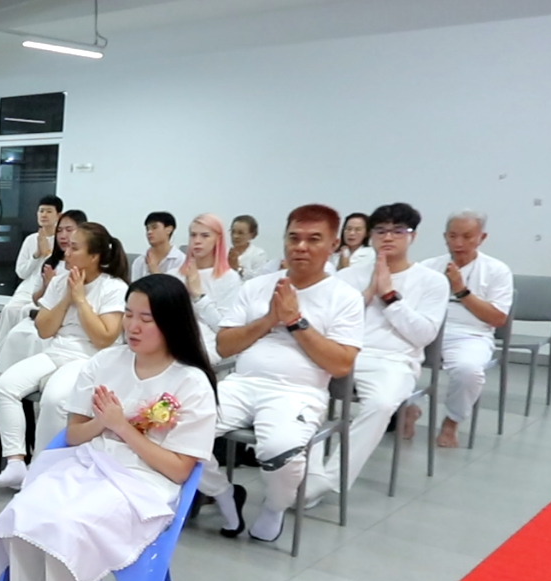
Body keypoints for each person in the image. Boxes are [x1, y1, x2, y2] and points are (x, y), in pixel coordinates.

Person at [0, 275, 219, 581]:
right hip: (90, 463)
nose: (133, 326)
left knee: (68, 522)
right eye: (128, 314)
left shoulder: (191, 383)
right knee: (27, 507)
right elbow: (74, 433)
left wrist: (122, 426)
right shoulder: (105, 362)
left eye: (146, 318)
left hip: (144, 483)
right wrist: (104, 423)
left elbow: (179, 470)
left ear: (171, 322)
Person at [199, 205, 363, 543]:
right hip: (241, 383)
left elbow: (341, 365)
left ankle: (274, 508)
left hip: (298, 392)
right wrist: (269, 320)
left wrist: (294, 321)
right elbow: (225, 345)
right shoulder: (257, 287)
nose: (301, 247)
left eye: (313, 239)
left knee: (280, 450)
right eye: (294, 238)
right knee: (177, 429)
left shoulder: (344, 297)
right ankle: (225, 496)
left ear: (333, 245)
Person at [305, 203, 448, 502]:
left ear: (413, 236)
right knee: (304, 390)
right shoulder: (348, 277)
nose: (388, 237)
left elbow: (424, 334)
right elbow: (329, 323)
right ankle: (309, 474)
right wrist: (370, 292)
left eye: (398, 231)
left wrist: (390, 296)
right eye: (381, 231)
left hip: (393, 360)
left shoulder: (432, 281)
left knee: (381, 405)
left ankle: (330, 480)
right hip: (343, 352)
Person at [0, 223, 129, 490]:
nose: (66, 253)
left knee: (54, 399)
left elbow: (104, 338)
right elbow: (44, 329)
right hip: (56, 352)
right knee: (5, 386)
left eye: (75, 248)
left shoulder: (113, 287)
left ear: (94, 256)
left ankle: (40, 472)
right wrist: (67, 297)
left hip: (89, 359)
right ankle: (16, 463)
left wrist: (81, 300)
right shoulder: (61, 281)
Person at [414, 209, 513, 448]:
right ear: (445, 237)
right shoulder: (428, 267)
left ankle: (452, 421)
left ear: (482, 238)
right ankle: (406, 410)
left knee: (469, 371)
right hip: (427, 329)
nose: (458, 243)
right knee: (388, 355)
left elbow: (498, 318)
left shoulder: (497, 270)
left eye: (467, 237)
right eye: (453, 236)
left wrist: (461, 290)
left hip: (470, 335)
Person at [0, 211, 81, 374]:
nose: (63, 236)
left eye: (69, 230)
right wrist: (47, 285)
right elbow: (36, 298)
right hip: (47, 315)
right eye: (59, 231)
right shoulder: (51, 262)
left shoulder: (84, 266)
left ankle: (34, 378)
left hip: (68, 323)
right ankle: (9, 377)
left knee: (38, 340)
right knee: (16, 334)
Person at [178, 214, 244, 364]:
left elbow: (223, 330)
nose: (197, 241)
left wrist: (198, 296)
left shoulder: (229, 278)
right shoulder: (175, 275)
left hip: (210, 352)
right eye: (193, 235)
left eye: (205, 236)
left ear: (218, 239)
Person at [0, 197, 67, 342]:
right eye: (41, 211)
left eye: (49, 211)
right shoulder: (31, 239)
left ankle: (26, 345)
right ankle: (4, 347)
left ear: (59, 215)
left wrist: (47, 253)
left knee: (26, 311)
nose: (44, 215)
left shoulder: (62, 240)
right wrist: (37, 254)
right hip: (28, 287)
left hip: (48, 287)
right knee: (9, 310)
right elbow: (21, 273)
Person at [130, 211, 184, 280]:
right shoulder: (140, 261)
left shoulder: (181, 260)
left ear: (169, 229)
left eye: (154, 227)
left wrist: (155, 271)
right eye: (147, 229)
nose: (149, 232)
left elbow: (177, 287)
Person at [228, 214, 270, 279]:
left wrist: (238, 268)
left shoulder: (259, 255)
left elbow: (259, 278)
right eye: (233, 232)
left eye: (240, 233)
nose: (235, 236)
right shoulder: (223, 252)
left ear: (252, 235)